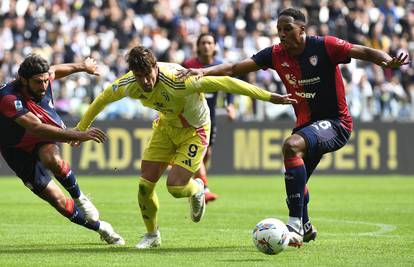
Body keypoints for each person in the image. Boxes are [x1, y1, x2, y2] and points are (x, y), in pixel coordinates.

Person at [177, 7, 409, 247]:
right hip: (307, 124)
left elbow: (364, 52)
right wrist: (204, 71)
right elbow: (235, 68)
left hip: (337, 123)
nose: (282, 34)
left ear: (302, 29)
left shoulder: (325, 45)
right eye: (279, 30)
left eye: (287, 29)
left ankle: (295, 225)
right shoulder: (275, 54)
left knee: (291, 147)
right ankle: (306, 227)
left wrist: (387, 61)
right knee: (295, 184)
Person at [75, 45, 296, 249]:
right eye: (139, 77)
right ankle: (152, 235)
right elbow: (102, 99)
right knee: (144, 185)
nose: (145, 82)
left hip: (195, 130)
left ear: (156, 67)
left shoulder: (178, 80)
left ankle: (198, 188)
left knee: (175, 187)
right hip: (165, 128)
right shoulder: (129, 84)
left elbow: (227, 83)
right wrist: (80, 129)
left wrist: (268, 97)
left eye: (148, 75)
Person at [0, 54, 124, 245]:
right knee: (58, 202)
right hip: (17, 150)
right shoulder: (9, 98)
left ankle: (80, 197)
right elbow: (36, 128)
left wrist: (82, 66)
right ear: (23, 80)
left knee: (53, 160)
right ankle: (101, 228)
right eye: (37, 82)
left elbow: (56, 70)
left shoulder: (44, 77)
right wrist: (78, 135)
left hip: (40, 138)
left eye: (45, 81)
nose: (43, 86)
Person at [182, 33, 236, 203]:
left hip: (209, 115)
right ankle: (203, 188)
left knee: (207, 152)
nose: (206, 46)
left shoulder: (219, 66)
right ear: (198, 46)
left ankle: (191, 180)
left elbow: (229, 85)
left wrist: (230, 104)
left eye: (209, 43)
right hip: (191, 115)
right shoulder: (189, 65)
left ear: (214, 46)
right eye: (203, 42)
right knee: (198, 149)